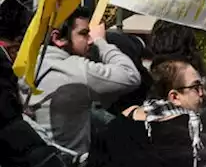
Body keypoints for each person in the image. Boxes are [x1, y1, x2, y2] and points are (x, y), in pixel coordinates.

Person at [28, 9, 142, 155]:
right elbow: (130, 75)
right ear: (58, 38)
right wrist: (101, 42)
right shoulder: (75, 69)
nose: (90, 40)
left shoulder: (26, 64)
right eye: (84, 33)